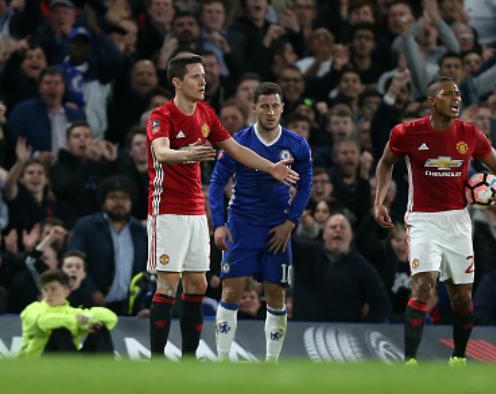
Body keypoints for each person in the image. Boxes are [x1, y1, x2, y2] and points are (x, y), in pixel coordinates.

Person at [146, 53, 298, 359]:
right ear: (177, 82)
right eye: (195, 76)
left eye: (204, 76)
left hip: (195, 211)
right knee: (168, 283)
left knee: (197, 283)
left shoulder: (205, 113)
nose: (203, 81)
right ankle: (157, 359)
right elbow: (161, 153)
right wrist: (187, 153)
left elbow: (236, 149)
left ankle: (188, 358)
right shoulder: (162, 116)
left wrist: (271, 168)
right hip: (167, 210)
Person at [373, 76, 496, 365]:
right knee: (424, 285)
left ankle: (458, 358)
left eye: (458, 94)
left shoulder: (470, 134)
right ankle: (409, 362)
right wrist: (379, 202)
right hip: (423, 221)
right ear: (431, 101)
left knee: (462, 298)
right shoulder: (406, 133)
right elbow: (385, 162)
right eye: (448, 94)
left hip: (458, 222)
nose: (456, 99)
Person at [208, 82, 312, 362]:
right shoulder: (239, 141)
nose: (269, 112)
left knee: (276, 293)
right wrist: (219, 223)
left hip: (277, 226)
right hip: (242, 224)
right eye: (264, 106)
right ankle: (222, 360)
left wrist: (290, 223)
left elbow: (306, 185)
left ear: (282, 108)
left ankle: (271, 364)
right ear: (253, 108)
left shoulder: (296, 144)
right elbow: (217, 182)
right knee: (231, 290)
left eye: (274, 106)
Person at [67, 176, 147, 315]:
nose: (119, 202)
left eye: (124, 198)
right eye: (113, 197)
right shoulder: (87, 226)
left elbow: (147, 267)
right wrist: (91, 290)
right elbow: (74, 260)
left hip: (130, 310)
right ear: (103, 201)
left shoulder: (140, 230)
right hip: (90, 307)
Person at [18, 269, 118, 358]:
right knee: (60, 331)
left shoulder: (72, 312)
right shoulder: (33, 309)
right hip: (37, 364)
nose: (48, 293)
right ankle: (75, 373)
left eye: (53, 289)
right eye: (45, 289)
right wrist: (76, 321)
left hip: (66, 360)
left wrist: (89, 319)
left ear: (66, 292)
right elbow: (43, 322)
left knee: (99, 328)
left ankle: (106, 372)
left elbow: (111, 318)